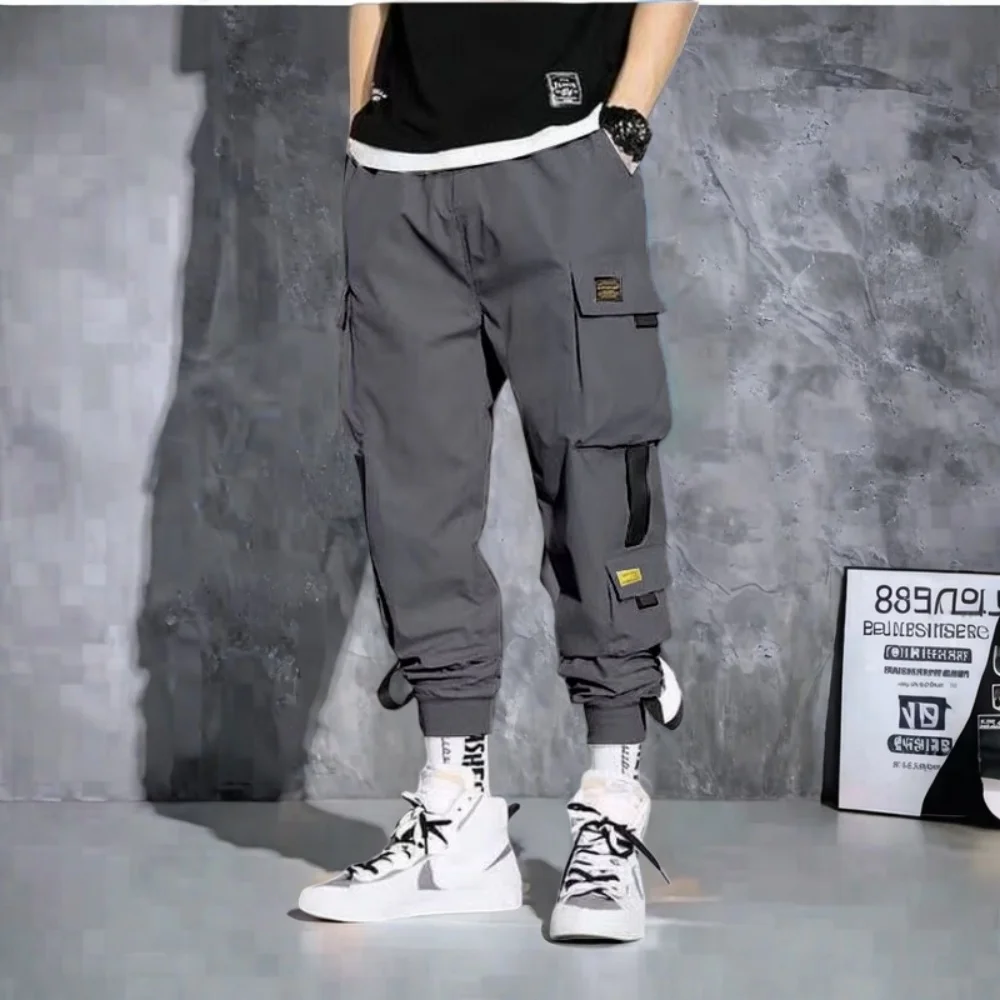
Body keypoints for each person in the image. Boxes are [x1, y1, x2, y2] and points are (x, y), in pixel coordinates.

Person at [299, 1, 698, 943]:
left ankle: (611, 806)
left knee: (596, 474)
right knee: (412, 495)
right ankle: (459, 827)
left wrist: (625, 121)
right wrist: (361, 134)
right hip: (399, 180)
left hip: (562, 156)